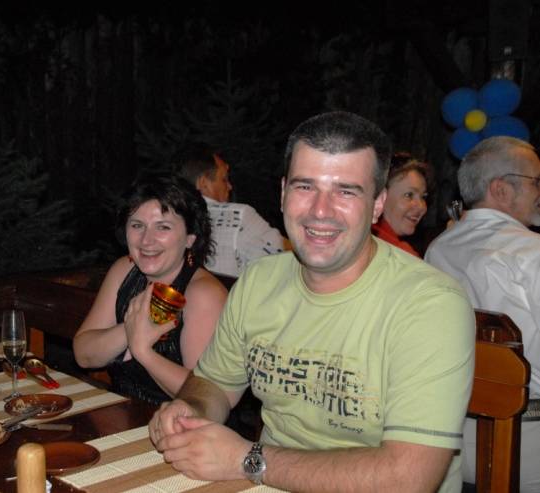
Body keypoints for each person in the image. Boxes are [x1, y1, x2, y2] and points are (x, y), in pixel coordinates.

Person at [149, 111, 475, 492]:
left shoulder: (431, 305)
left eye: (346, 191)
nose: (321, 210)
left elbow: (408, 478)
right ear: (283, 193)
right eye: (305, 186)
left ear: (377, 204)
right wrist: (191, 408)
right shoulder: (259, 281)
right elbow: (214, 384)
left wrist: (247, 459)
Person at [425, 136, 540, 492]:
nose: (539, 193)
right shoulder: (532, 254)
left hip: (452, 443)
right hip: (525, 449)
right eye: (536, 182)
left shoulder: (438, 249)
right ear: (501, 189)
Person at [73, 172, 227, 406]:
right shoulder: (124, 270)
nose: (146, 240)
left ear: (190, 238)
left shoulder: (204, 295)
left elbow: (206, 396)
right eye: (137, 225)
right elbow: (83, 354)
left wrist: (142, 350)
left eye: (163, 227)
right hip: (124, 413)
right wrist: (130, 329)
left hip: (181, 423)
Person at [176, 144, 291, 277]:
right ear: (203, 183)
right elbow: (285, 254)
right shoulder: (239, 216)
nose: (230, 187)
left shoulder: (169, 218)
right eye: (224, 179)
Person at [371, 152, 431, 256]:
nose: (421, 207)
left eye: (423, 197)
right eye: (409, 195)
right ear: (380, 198)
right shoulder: (401, 255)